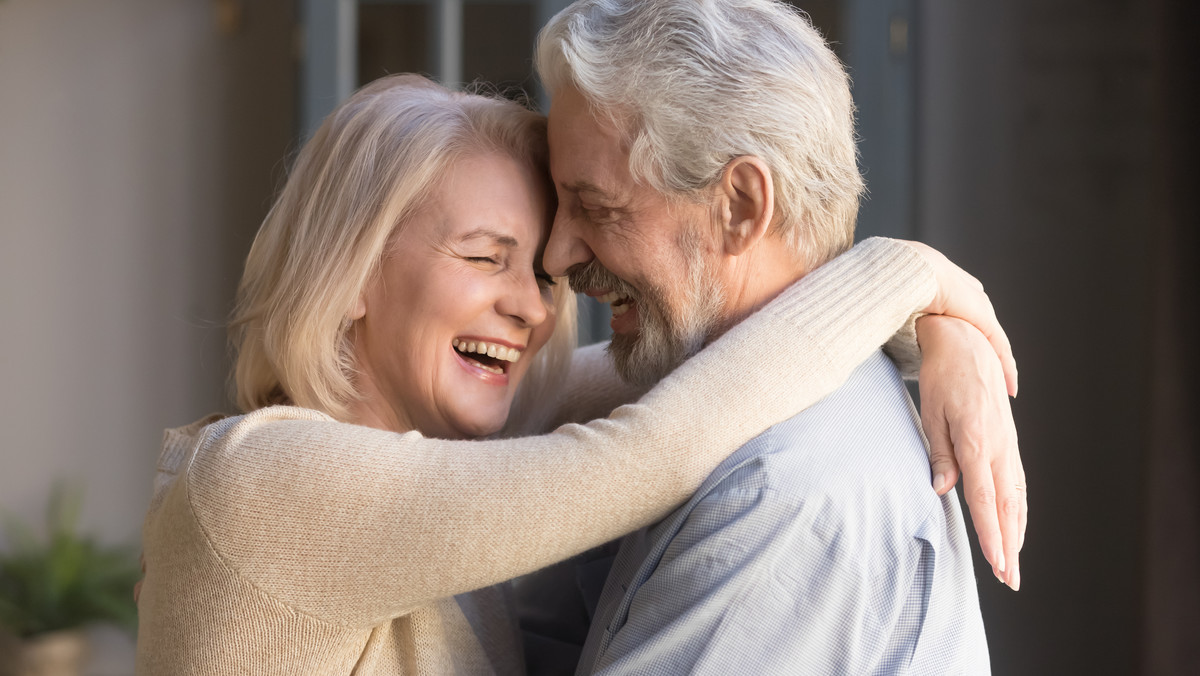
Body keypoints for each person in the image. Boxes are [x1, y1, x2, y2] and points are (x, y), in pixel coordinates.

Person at [135, 75, 1017, 674]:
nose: (534, 308)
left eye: (544, 275)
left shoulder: (438, 439)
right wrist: (914, 275)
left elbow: (714, 357)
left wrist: (940, 334)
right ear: (355, 272)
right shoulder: (266, 486)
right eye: (486, 258)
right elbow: (654, 449)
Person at [534, 0, 1015, 672]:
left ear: (741, 208)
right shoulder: (715, 411)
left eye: (595, 207)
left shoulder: (777, 495)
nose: (555, 255)